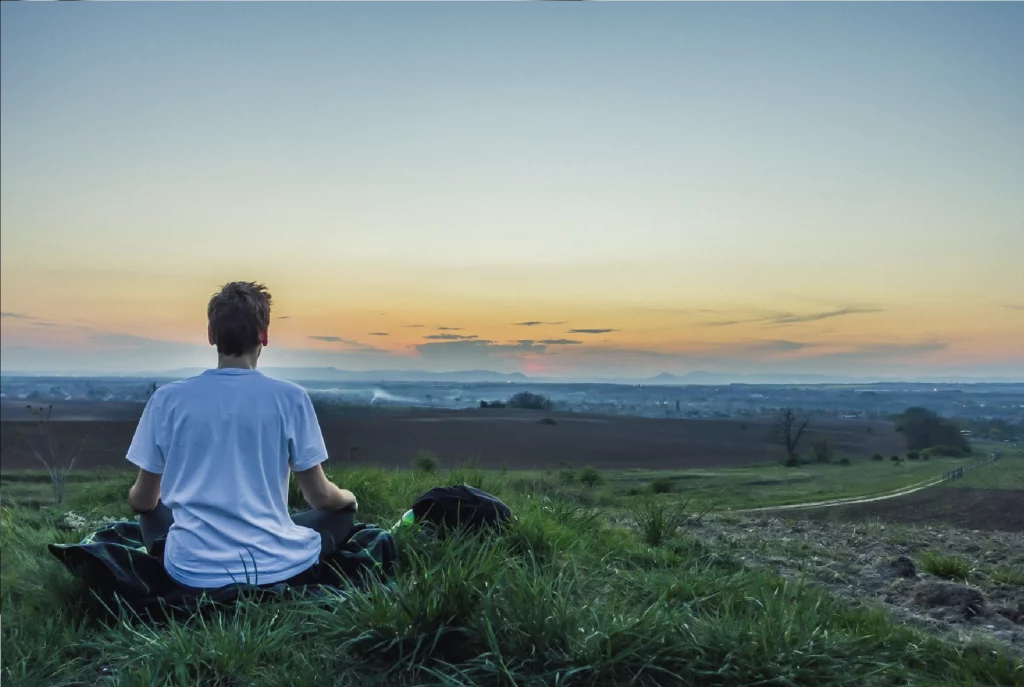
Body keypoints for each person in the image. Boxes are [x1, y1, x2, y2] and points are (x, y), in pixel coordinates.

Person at [125, 281, 358, 589]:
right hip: (275, 566)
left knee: (152, 514)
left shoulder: (167, 400)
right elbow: (319, 497)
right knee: (340, 515)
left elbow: (142, 502)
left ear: (211, 336)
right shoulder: (291, 398)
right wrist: (348, 498)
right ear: (263, 336)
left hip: (190, 570)